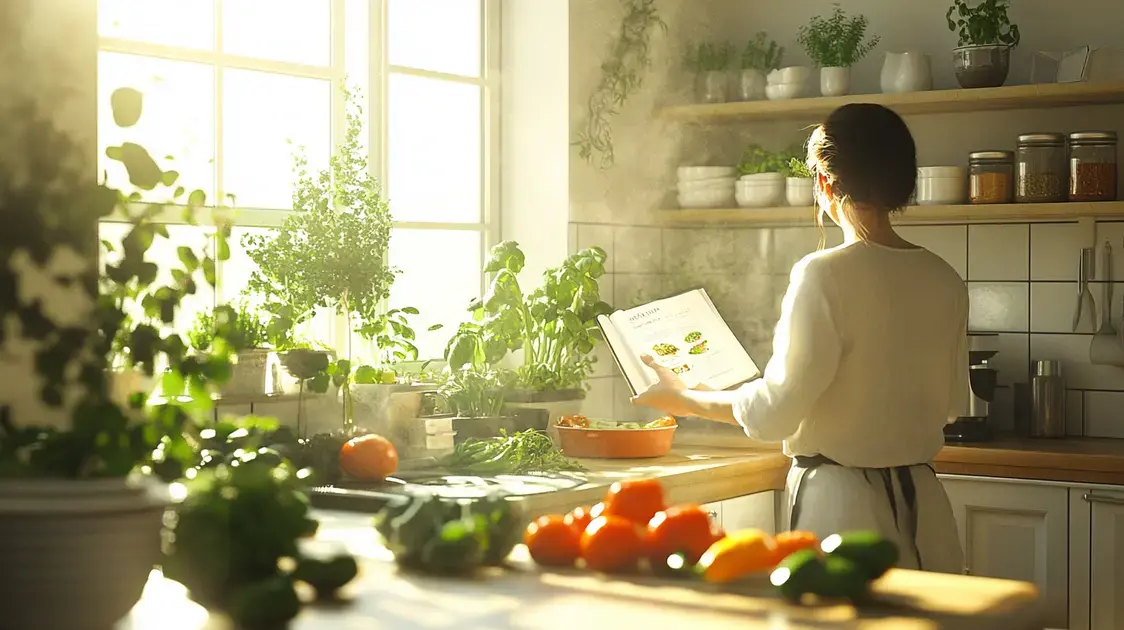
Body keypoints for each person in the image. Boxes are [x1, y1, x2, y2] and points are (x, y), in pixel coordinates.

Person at [633, 103, 967, 574]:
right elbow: (950, 404)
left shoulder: (823, 274)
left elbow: (774, 414)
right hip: (927, 515)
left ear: (826, 183)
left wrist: (682, 399)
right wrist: (716, 395)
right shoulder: (945, 278)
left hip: (842, 512)